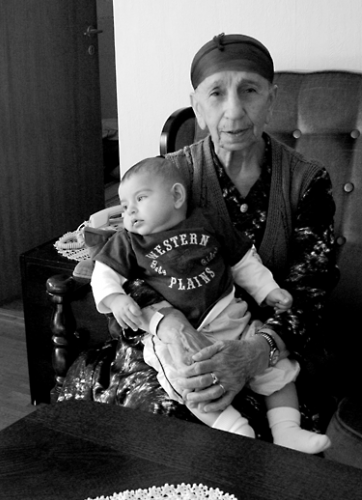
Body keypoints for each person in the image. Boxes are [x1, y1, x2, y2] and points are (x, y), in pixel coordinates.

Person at [59, 33, 339, 445]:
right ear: (197, 107)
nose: (234, 111)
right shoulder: (168, 178)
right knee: (163, 418)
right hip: (174, 342)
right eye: (216, 93)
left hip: (267, 342)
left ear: (272, 99)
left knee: (280, 428)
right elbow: (123, 267)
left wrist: (256, 351)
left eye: (250, 90)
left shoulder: (306, 181)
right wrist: (164, 319)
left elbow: (310, 293)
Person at [92, 156, 330, 453]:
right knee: (186, 378)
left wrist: (267, 290)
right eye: (124, 205)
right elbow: (103, 273)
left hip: (228, 315)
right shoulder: (129, 241)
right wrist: (115, 298)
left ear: (177, 196)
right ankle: (234, 429)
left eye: (140, 199)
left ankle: (288, 431)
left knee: (276, 365)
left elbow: (242, 260)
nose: (130, 211)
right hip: (175, 335)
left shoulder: (206, 221)